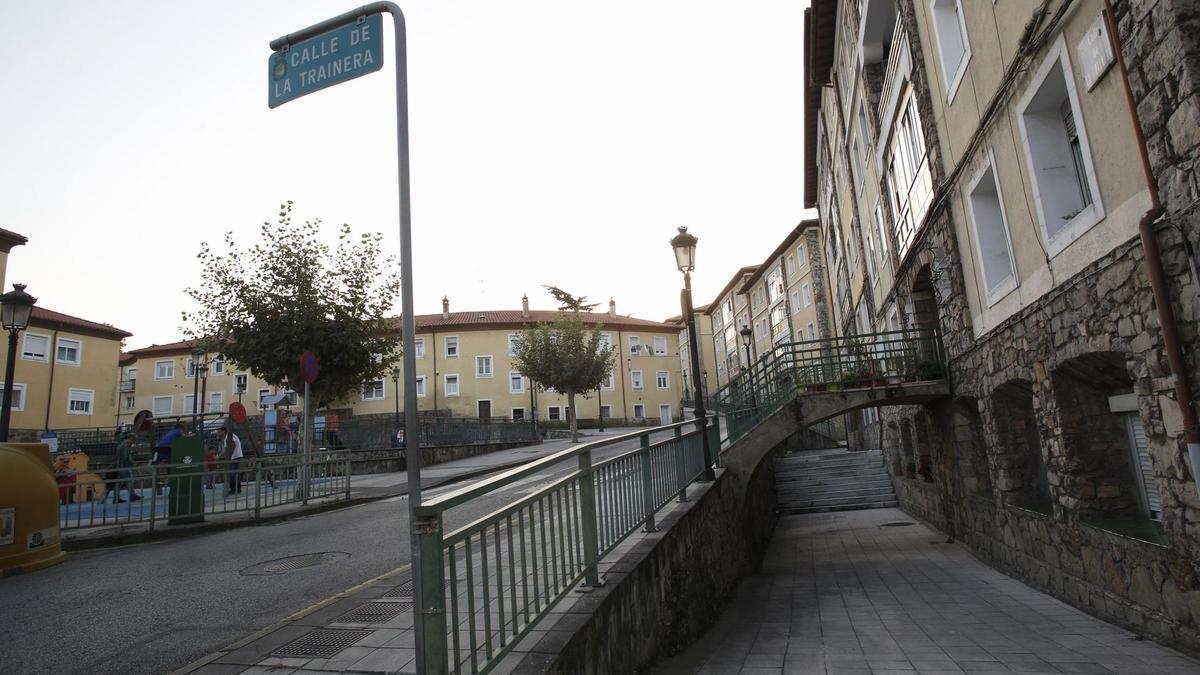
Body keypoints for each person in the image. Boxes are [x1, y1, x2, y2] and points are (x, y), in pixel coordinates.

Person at [111, 432, 142, 504]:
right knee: (128, 480)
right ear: (131, 438)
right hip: (123, 466)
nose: (135, 441)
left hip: (119, 466)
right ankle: (132, 495)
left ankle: (116, 498)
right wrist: (132, 464)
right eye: (134, 439)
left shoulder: (122, 444)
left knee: (119, 482)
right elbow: (125, 457)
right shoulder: (126, 445)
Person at [217, 427, 243, 496]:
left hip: (235, 457)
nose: (218, 433)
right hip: (234, 457)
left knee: (234, 474)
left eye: (219, 431)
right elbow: (227, 449)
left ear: (223, 431)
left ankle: (235, 489)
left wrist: (228, 455)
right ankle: (235, 489)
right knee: (233, 474)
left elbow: (232, 445)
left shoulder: (229, 436)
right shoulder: (228, 437)